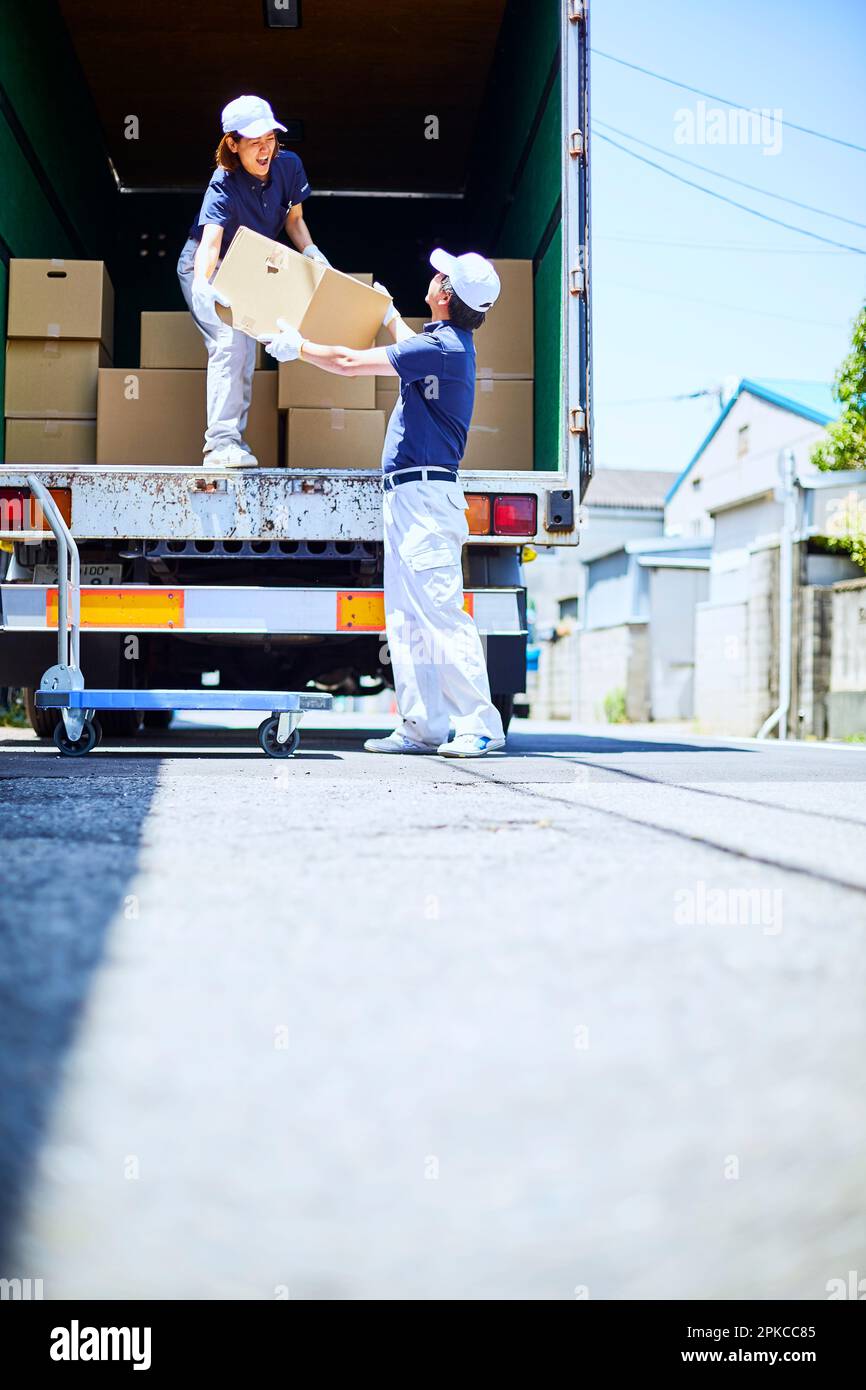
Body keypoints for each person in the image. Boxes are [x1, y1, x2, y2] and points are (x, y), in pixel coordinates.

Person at [261, 249, 507, 758]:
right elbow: (404, 343)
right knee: (407, 617)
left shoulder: (443, 348)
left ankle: (481, 724)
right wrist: (384, 308)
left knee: (439, 611)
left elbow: (351, 364)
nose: (434, 275)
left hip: (425, 498)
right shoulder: (442, 346)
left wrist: (298, 347)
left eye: (441, 275)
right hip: (409, 496)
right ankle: (421, 726)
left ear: (445, 295)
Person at [177, 95, 329, 468]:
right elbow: (210, 241)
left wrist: (310, 250)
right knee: (231, 343)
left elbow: (293, 219)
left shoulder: (288, 166)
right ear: (232, 143)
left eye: (271, 138)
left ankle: (232, 442)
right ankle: (220, 446)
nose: (266, 149)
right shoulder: (223, 183)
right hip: (209, 265)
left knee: (254, 347)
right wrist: (202, 283)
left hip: (251, 266)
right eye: (255, 142)